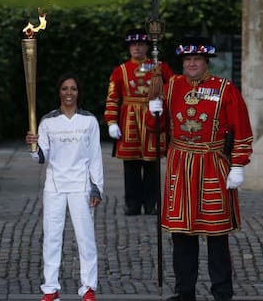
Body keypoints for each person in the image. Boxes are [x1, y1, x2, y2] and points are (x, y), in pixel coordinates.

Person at [148, 36, 254, 301]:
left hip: (212, 165)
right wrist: (154, 111)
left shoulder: (225, 89)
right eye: (187, 60)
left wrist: (238, 164)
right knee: (182, 235)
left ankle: (222, 292)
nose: (191, 64)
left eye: (196, 59)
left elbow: (242, 128)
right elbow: (157, 130)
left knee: (217, 234)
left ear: (206, 62)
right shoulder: (171, 86)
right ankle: (184, 292)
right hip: (180, 167)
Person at [25, 72, 103, 301]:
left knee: (85, 238)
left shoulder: (89, 121)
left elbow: (95, 157)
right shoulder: (48, 121)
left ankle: (88, 288)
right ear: (59, 92)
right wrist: (33, 147)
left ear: (79, 93)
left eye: (73, 89)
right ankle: (50, 289)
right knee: (52, 237)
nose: (69, 93)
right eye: (65, 89)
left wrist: (97, 187)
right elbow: (42, 157)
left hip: (81, 186)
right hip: (55, 186)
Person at [104, 28, 174, 216]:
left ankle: (152, 203)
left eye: (141, 44)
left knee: (152, 165)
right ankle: (132, 203)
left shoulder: (159, 67)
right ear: (129, 48)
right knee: (131, 165)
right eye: (133, 45)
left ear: (147, 47)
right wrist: (111, 122)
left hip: (153, 116)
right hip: (130, 120)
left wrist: (163, 102)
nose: (137, 48)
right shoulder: (121, 70)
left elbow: (173, 88)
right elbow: (112, 98)